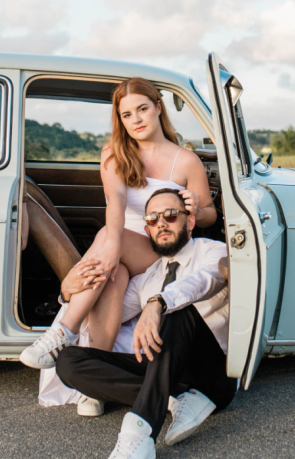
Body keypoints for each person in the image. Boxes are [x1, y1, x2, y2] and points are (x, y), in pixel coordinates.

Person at [20, 77, 217, 369]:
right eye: (126, 115)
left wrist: (197, 210)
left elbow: (210, 214)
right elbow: (116, 201)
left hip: (161, 249)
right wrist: (113, 246)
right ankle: (94, 378)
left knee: (112, 240)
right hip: (122, 246)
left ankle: (63, 331)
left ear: (158, 108)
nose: (135, 119)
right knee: (115, 277)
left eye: (142, 109)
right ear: (120, 119)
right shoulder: (114, 153)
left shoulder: (186, 161)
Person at [56, 188, 234, 459]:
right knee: (68, 361)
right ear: (147, 229)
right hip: (165, 370)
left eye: (171, 215)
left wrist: (158, 303)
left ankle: (139, 434)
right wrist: (67, 292)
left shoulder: (213, 252)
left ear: (189, 222)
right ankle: (174, 398)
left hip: (213, 374)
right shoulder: (147, 278)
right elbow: (99, 315)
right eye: (152, 219)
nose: (161, 223)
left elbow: (201, 283)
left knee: (177, 311)